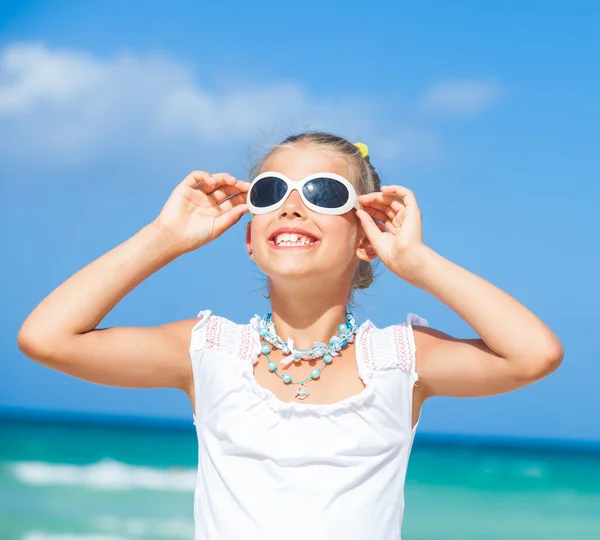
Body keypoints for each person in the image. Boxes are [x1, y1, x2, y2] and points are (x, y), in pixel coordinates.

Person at [17, 131, 564, 540]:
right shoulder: (211, 352)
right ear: (250, 239)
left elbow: (534, 355)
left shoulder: (398, 359)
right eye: (271, 191)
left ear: (366, 238)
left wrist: (417, 261)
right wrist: (164, 237)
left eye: (324, 192)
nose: (292, 205)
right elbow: (47, 337)